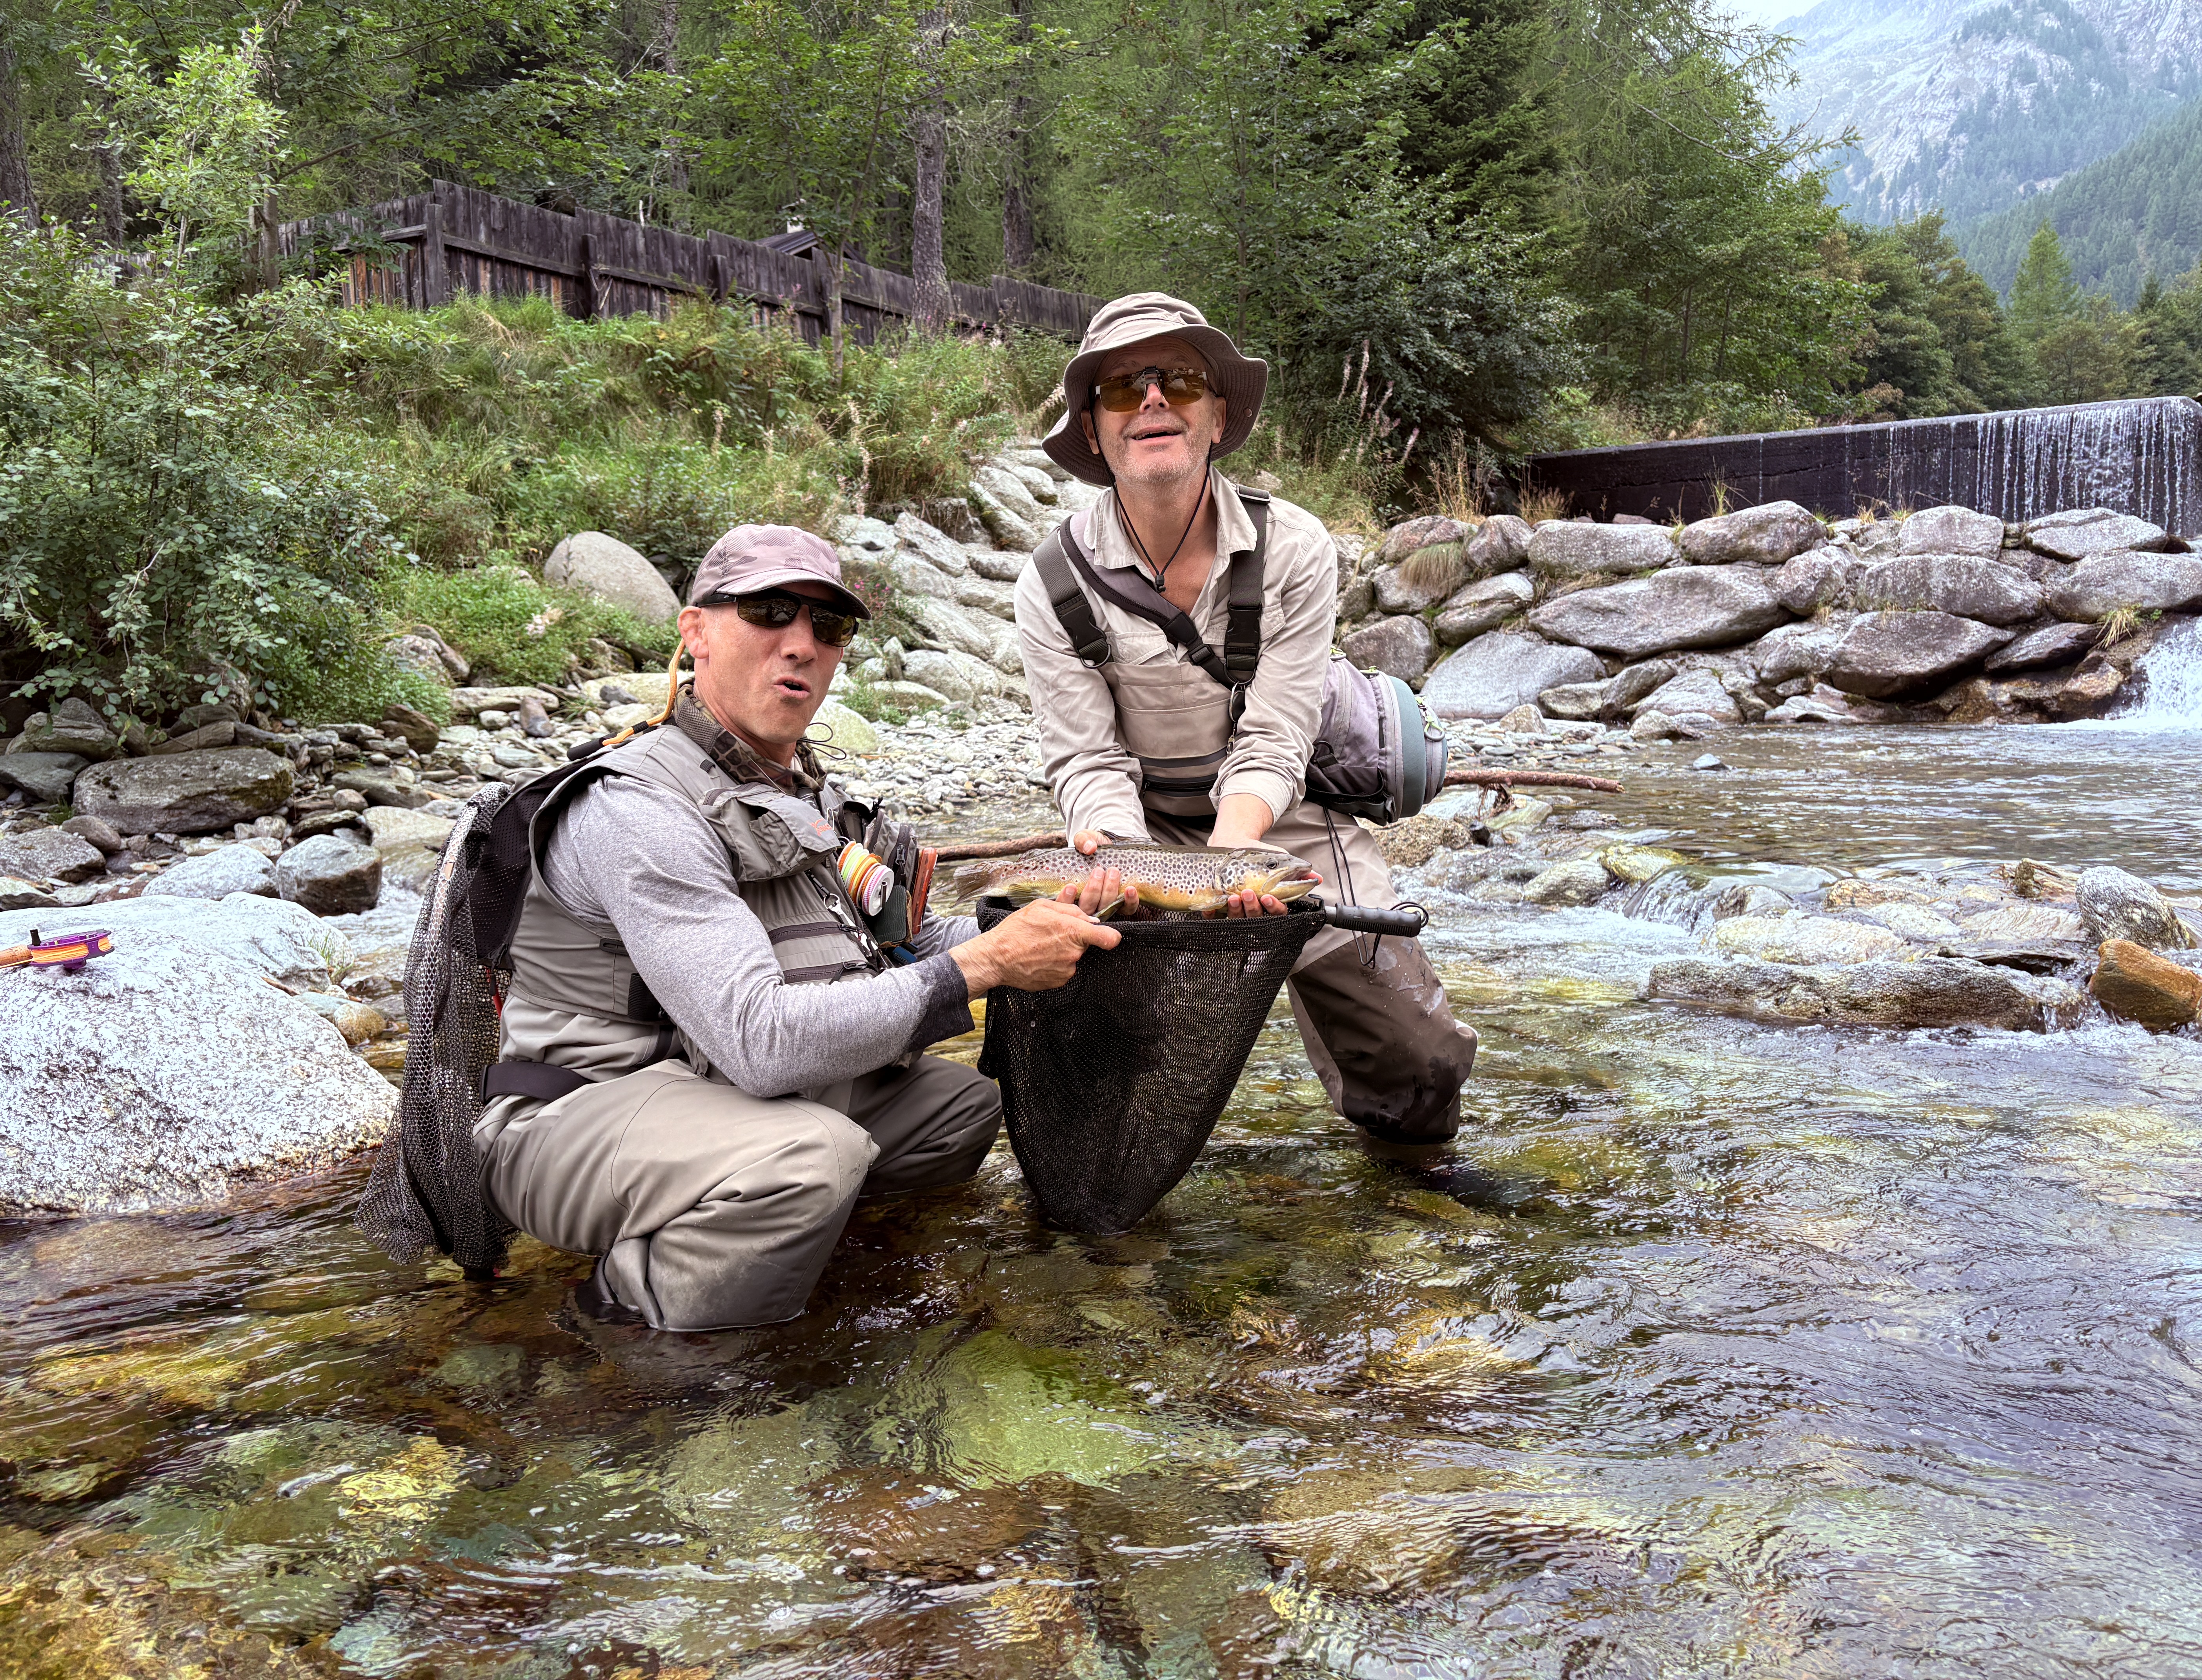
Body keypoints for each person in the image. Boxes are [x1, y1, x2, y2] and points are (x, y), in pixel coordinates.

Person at [476, 524, 1121, 1333]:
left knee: (955, 1107)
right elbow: (760, 1041)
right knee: (812, 1157)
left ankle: (793, 1266)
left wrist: (1049, 926)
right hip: (579, 1115)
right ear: (697, 631)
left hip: (721, 1097)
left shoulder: (809, 799)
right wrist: (985, 968)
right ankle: (625, 1334)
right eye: (769, 611)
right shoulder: (637, 808)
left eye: (829, 626)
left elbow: (904, 949)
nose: (801, 644)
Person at [1015, 292, 1478, 1145]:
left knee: (1418, 1058)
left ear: (1217, 412)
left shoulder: (1296, 549)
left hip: (1283, 828)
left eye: (1180, 381)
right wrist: (1126, 864)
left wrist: (1233, 861)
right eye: (1123, 388)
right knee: (1109, 1079)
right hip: (1137, 832)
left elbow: (1276, 735)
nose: (1152, 400)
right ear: (1092, 429)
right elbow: (1086, 762)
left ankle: (1413, 1187)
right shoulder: (1050, 582)